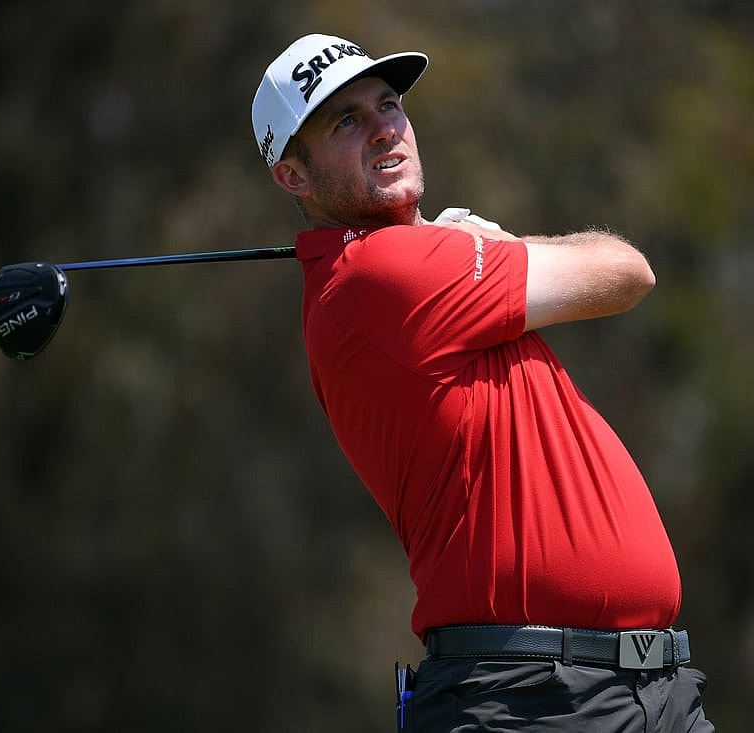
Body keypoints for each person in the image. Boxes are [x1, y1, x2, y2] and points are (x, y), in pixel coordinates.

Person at [252, 33, 715, 732]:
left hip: (652, 693)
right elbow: (626, 271)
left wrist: (459, 249)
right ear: (294, 176)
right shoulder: (378, 274)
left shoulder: (407, 268)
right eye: (346, 120)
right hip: (531, 698)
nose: (384, 128)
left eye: (388, 104)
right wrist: (497, 246)